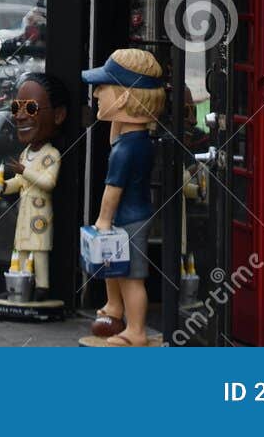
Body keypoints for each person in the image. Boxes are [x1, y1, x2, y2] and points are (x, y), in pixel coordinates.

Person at [82, 48, 165, 347]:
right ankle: (114, 307)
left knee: (131, 276)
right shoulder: (134, 139)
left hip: (129, 219)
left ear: (123, 98)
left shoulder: (126, 150)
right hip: (132, 215)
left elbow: (112, 189)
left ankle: (137, 330)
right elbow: (114, 135)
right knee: (112, 265)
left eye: (102, 89)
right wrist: (117, 117)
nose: (95, 96)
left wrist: (103, 220)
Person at [0, 72, 68, 298]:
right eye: (17, 107)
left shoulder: (51, 154)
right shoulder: (26, 152)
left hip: (39, 214)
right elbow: (20, 181)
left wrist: (24, 171)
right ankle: (18, 287)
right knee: (22, 250)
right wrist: (3, 186)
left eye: (30, 108)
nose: (19, 116)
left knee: (39, 251)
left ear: (58, 115)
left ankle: (42, 287)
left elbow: (48, 182)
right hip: (25, 215)